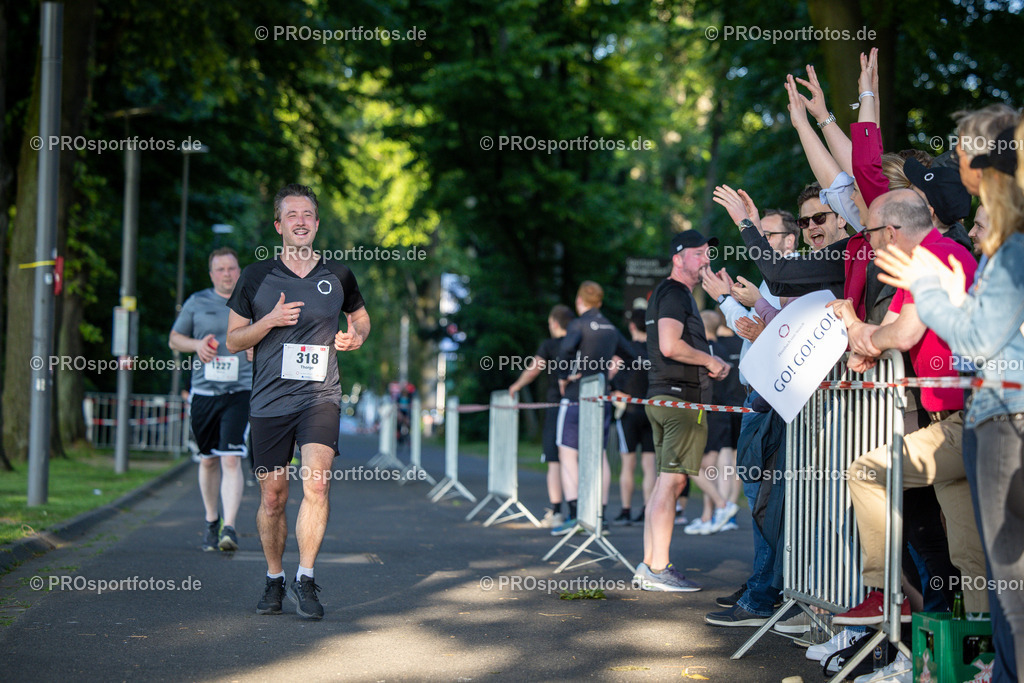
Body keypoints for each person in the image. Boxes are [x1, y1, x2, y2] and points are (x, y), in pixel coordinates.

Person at [876, 123, 1024, 682]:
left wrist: (930, 291)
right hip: (987, 418)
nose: (977, 223)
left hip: (1003, 419)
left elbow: (978, 341)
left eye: (984, 215)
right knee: (987, 559)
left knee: (1006, 563)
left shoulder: (1005, 256)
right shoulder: (993, 257)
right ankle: (994, 661)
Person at [829, 189, 988, 624]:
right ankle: (982, 654)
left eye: (871, 233)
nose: (869, 242)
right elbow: (879, 338)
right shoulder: (922, 262)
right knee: (968, 551)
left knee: (865, 471)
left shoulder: (936, 256)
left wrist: (858, 328)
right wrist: (865, 335)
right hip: (950, 420)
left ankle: (886, 592)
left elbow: (898, 337)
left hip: (969, 418)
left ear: (892, 232)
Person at [226, 184, 371, 620]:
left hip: (320, 397)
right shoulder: (256, 277)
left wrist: (356, 336)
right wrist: (268, 321)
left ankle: (306, 578)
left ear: (317, 223)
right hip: (269, 400)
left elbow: (360, 316)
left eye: (308, 214)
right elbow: (234, 339)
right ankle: (275, 579)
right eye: (292, 215)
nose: (301, 221)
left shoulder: (339, 275)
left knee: (318, 483)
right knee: (273, 495)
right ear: (278, 225)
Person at [633, 231, 733, 592]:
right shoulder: (674, 292)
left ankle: (650, 565)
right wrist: (711, 359)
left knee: (665, 481)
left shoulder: (673, 293)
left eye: (708, 252)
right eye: (698, 253)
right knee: (673, 481)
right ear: (678, 258)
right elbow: (669, 345)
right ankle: (658, 568)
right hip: (678, 401)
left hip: (668, 399)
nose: (706, 258)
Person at [169, 247, 254, 552]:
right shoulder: (197, 302)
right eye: (220, 269)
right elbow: (174, 339)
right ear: (211, 274)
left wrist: (255, 345)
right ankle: (211, 520)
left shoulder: (252, 301)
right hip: (204, 391)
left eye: (232, 268)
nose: (227, 274)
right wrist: (196, 344)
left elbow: (269, 333)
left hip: (239, 390)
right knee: (208, 459)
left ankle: (228, 527)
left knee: (231, 457)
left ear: (239, 270)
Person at [550, 281, 634, 536]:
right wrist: (612, 377)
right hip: (601, 398)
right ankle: (600, 515)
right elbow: (630, 355)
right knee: (599, 456)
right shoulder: (610, 327)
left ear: (579, 300)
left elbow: (564, 351)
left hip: (576, 397)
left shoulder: (577, 324)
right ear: (599, 301)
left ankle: (576, 515)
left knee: (567, 455)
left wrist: (564, 375)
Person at [508, 304, 574, 527]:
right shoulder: (580, 342)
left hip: (557, 407)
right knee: (578, 460)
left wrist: (516, 386)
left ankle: (557, 512)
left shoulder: (550, 345)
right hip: (582, 405)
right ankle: (581, 512)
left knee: (555, 461)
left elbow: (534, 368)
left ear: (555, 323)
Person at [608, 308, 655, 526]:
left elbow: (611, 377)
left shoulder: (624, 352)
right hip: (652, 411)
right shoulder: (658, 351)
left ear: (632, 326)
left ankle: (626, 510)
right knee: (649, 464)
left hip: (628, 412)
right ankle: (648, 509)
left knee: (628, 464)